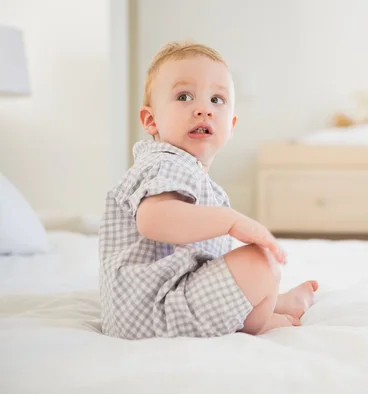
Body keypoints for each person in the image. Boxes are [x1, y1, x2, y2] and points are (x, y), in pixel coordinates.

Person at [98, 41, 318, 340]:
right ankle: (260, 321)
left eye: (217, 99)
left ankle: (271, 302)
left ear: (232, 124)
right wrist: (231, 220)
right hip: (155, 311)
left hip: (167, 301)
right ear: (151, 120)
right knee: (259, 262)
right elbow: (153, 220)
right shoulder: (165, 162)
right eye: (184, 96)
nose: (203, 109)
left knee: (261, 266)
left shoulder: (188, 172)